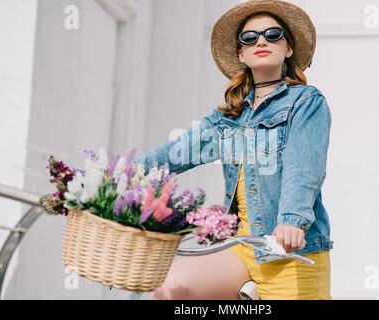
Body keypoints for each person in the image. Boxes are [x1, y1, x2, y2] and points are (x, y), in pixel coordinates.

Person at [133, 0, 333, 300]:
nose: (261, 41)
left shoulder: (306, 102)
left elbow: (303, 169)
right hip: (241, 247)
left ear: (288, 49)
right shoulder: (229, 117)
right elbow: (176, 152)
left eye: (273, 34)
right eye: (250, 38)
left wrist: (291, 220)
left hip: (288, 249)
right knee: (171, 289)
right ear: (241, 53)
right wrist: (121, 173)